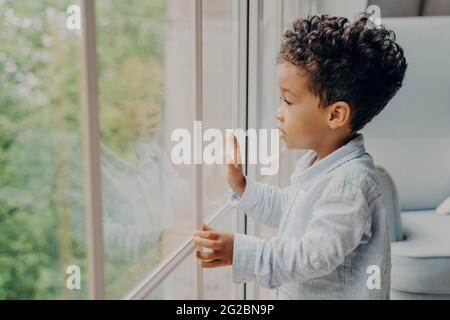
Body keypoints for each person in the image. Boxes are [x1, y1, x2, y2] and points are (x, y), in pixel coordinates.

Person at [193, 14, 407, 299]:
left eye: (289, 101)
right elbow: (291, 209)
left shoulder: (350, 184)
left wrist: (241, 252)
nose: (278, 112)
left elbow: (313, 256)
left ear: (335, 114)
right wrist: (242, 186)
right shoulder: (320, 162)